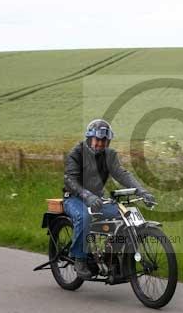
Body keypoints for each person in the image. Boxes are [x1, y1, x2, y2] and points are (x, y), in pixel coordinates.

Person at [63, 119, 156, 279]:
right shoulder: (77, 153)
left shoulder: (109, 155)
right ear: (89, 138)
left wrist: (142, 191)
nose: (101, 144)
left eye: (105, 141)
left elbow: (122, 174)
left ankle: (110, 255)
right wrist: (87, 195)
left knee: (124, 215)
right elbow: (70, 181)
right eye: (98, 140)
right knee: (84, 216)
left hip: (98, 199)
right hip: (74, 198)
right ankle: (79, 258)